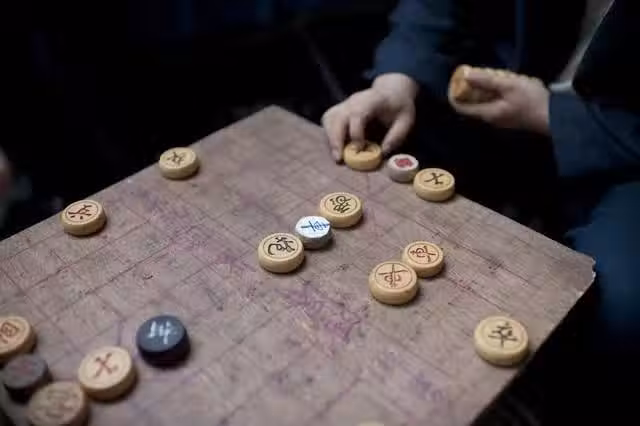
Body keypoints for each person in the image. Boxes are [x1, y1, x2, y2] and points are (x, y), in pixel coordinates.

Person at [322, 0, 640, 421]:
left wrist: (552, 115)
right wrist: (397, 80)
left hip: (625, 147)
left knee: (624, 309)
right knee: (380, 137)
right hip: (505, 87)